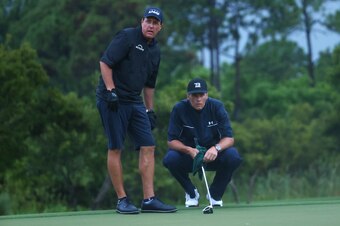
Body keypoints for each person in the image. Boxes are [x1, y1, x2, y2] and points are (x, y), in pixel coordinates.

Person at [96, 6, 177, 214]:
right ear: (142, 21)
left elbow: (149, 85)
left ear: (161, 27)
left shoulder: (155, 50)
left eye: (155, 23)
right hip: (112, 99)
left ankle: (149, 199)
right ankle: (122, 200)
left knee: (148, 145)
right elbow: (105, 63)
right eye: (148, 21)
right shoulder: (127, 37)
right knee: (116, 147)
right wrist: (111, 90)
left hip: (135, 101)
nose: (151, 25)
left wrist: (150, 110)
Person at [163, 78, 242, 207]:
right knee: (170, 159)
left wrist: (216, 148)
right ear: (188, 96)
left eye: (201, 95)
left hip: (213, 155)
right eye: (194, 95)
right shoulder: (179, 108)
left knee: (233, 156)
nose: (198, 99)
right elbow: (172, 141)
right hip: (189, 156)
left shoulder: (217, 106)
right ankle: (191, 192)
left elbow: (229, 138)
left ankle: (215, 194)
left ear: (207, 95)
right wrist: (188, 150)